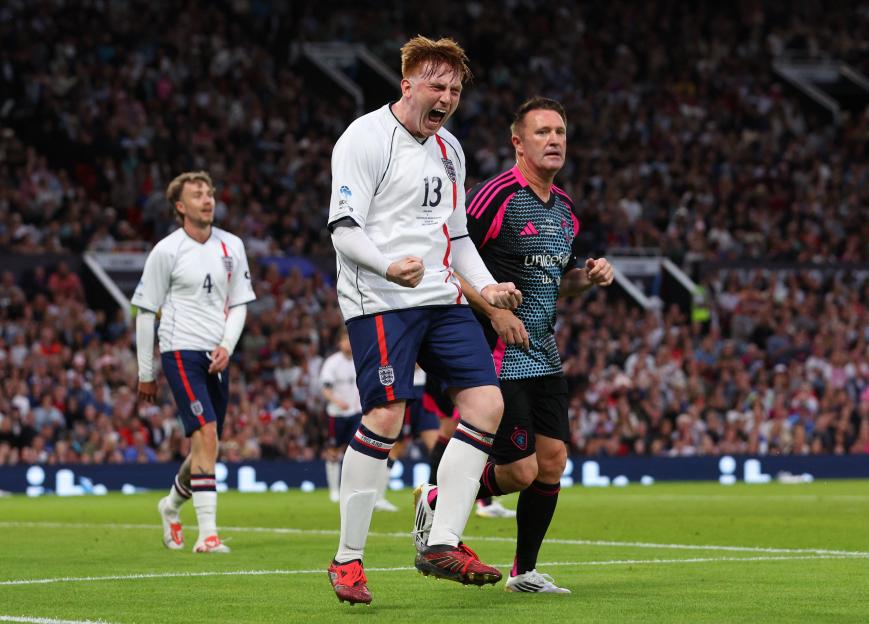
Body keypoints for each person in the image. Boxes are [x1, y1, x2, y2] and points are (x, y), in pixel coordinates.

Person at [325, 35, 522, 605]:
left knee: (486, 404)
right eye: (437, 85)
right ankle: (348, 561)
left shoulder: (450, 150)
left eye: (456, 89)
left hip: (441, 296)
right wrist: (388, 265)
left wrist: (486, 286)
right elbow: (343, 228)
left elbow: (456, 237)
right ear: (406, 82)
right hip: (382, 298)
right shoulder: (364, 138)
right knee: (386, 415)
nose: (447, 97)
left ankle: (442, 541)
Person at [414, 97, 614, 593]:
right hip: (495, 352)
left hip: (543, 350)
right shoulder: (493, 197)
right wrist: (496, 310)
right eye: (543, 132)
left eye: (560, 132)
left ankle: (524, 573)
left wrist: (585, 280)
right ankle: (439, 500)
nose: (554, 140)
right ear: (518, 143)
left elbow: (554, 281)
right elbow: (452, 261)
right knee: (520, 470)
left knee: (552, 463)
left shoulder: (566, 210)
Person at [133, 171, 255, 554]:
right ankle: (208, 534)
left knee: (209, 442)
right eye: (197, 194)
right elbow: (144, 312)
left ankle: (170, 507)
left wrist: (227, 346)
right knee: (205, 435)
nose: (208, 199)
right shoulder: (166, 251)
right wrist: (146, 373)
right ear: (180, 207)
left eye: (210, 193)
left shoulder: (231, 245)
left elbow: (238, 304)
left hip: (217, 354)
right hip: (179, 350)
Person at [321, 328, 398, 511]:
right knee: (333, 450)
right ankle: (333, 490)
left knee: (356, 450)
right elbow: (325, 389)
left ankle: (356, 489)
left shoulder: (360, 359)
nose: (348, 343)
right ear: (339, 343)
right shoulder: (332, 363)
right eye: (344, 340)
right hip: (336, 413)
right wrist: (337, 401)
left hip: (357, 413)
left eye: (350, 339)